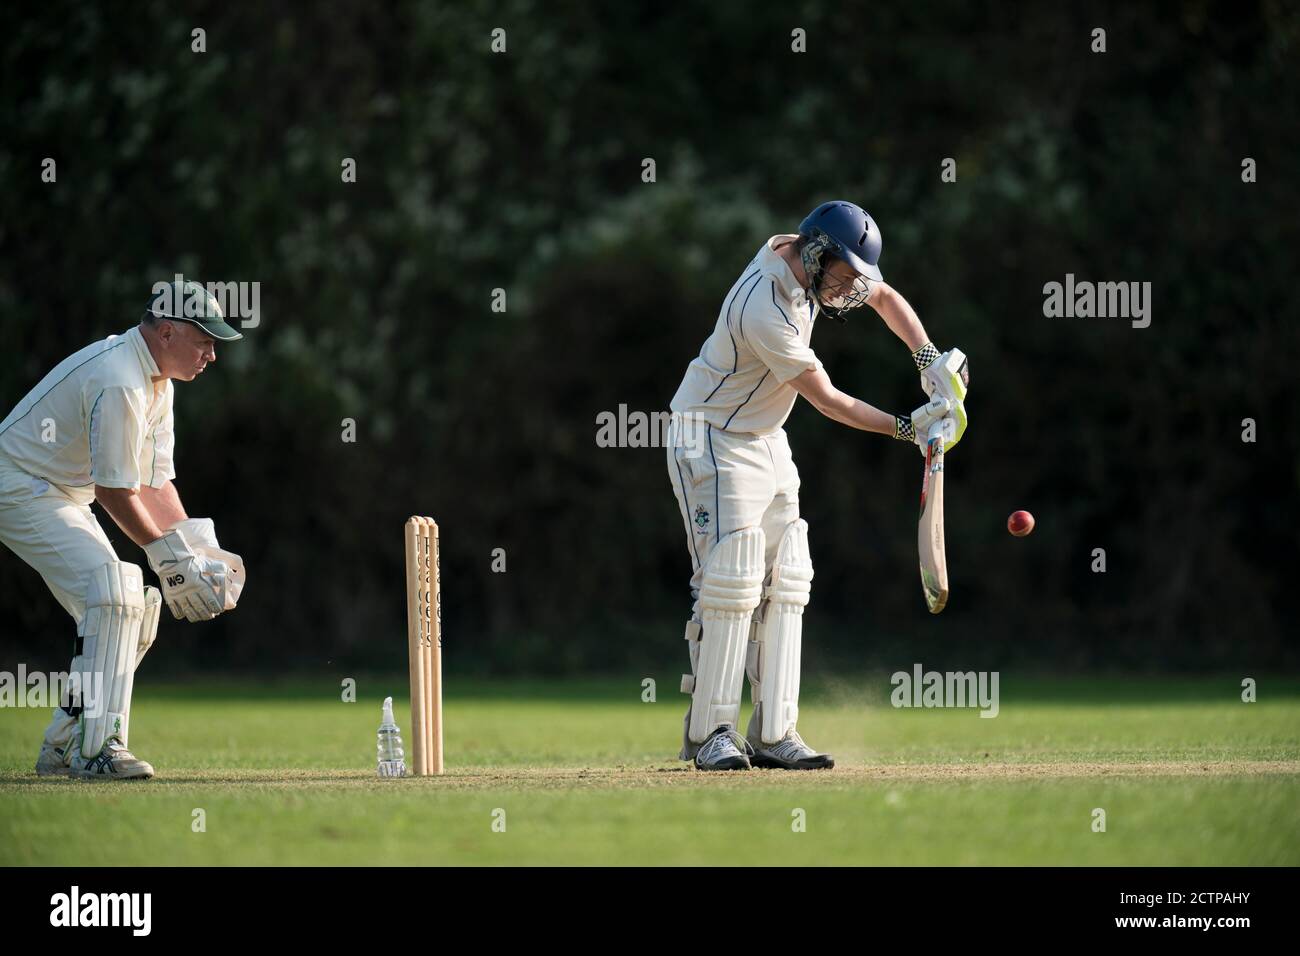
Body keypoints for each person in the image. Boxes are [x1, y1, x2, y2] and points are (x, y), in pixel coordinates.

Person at [666, 200, 969, 771]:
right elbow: (828, 400)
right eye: (846, 274)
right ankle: (711, 733)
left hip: (764, 435)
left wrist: (929, 361)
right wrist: (911, 428)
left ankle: (776, 732)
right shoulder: (765, 305)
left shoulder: (815, 264)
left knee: (789, 575)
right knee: (732, 576)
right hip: (707, 434)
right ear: (816, 254)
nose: (853, 289)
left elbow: (885, 298)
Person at [0, 280, 247, 780]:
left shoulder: (159, 384)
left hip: (62, 491)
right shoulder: (120, 379)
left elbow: (154, 483)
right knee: (117, 592)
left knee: (135, 609)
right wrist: (165, 559)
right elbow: (114, 491)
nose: (212, 355)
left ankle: (64, 743)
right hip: (20, 484)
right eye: (205, 341)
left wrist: (197, 553)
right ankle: (98, 751)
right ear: (169, 332)